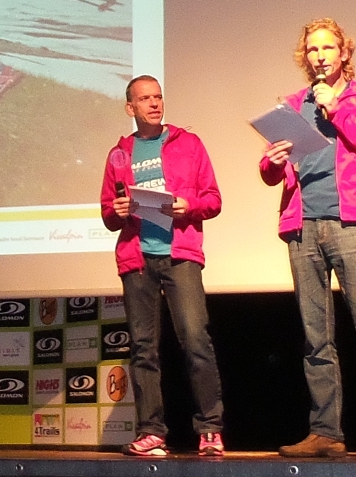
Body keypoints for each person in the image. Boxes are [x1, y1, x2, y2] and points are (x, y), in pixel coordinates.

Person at [260, 18, 356, 460]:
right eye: (311, 49)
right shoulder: (291, 105)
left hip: (351, 222)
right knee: (315, 337)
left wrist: (337, 110)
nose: (319, 55)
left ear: (344, 52)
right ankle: (325, 431)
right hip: (302, 225)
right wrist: (271, 161)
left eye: (327, 48)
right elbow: (273, 174)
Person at [101, 75, 225, 458]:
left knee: (195, 340)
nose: (154, 103)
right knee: (143, 349)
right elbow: (108, 212)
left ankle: (209, 429)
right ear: (130, 108)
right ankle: (152, 431)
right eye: (145, 98)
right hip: (137, 258)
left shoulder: (188, 143)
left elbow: (213, 199)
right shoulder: (119, 154)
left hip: (180, 253)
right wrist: (117, 211)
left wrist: (188, 205)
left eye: (158, 97)